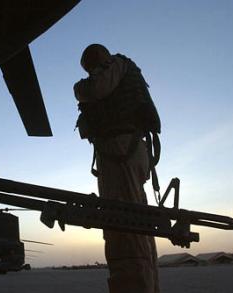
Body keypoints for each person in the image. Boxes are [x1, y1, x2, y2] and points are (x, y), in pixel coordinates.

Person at [74, 44, 161, 293]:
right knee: (136, 225)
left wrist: (78, 88)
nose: (91, 72)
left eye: (91, 66)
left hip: (121, 152)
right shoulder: (119, 69)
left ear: (99, 58)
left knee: (123, 226)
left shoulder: (113, 66)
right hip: (125, 152)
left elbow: (94, 89)